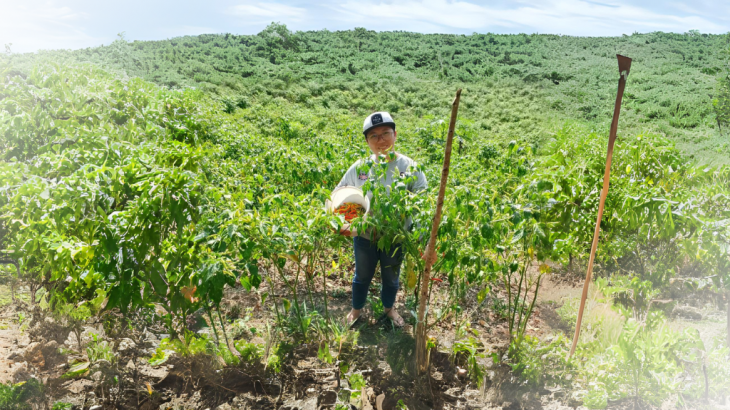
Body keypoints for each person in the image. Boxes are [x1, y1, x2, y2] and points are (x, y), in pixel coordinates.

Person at [336, 112, 427, 328]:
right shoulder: (359, 167)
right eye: (373, 136)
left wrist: (421, 239)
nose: (381, 140)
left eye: (385, 133)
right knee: (361, 276)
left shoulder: (410, 168)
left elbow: (423, 203)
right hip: (365, 236)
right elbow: (340, 195)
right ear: (367, 141)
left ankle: (389, 309)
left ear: (395, 134)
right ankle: (356, 310)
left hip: (396, 239)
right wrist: (345, 223)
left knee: (391, 278)